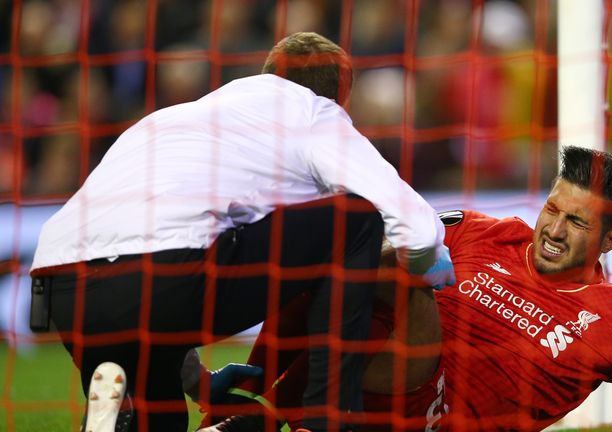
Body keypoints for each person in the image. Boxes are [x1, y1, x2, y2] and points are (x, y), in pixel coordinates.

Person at [29, 32, 455, 432]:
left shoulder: (175, 117)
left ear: (268, 72)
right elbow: (415, 228)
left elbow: (142, 246)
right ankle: (326, 417)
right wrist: (432, 272)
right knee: (357, 219)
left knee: (161, 412)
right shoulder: (312, 111)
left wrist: (198, 381)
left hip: (67, 292)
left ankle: (122, 409)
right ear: (339, 97)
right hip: (166, 277)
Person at [190, 146, 612, 431]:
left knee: (402, 271)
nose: (553, 231)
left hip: (439, 417)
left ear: (611, 240)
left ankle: (269, 417)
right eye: (552, 210)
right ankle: (250, 401)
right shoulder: (478, 229)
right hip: (370, 376)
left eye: (576, 223)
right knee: (345, 249)